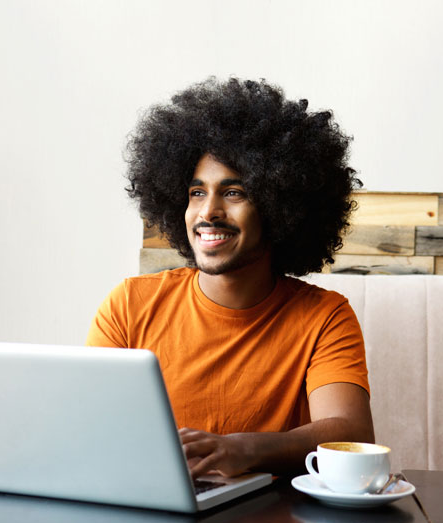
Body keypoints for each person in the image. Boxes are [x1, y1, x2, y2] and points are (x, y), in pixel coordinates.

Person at [87, 77, 375, 479]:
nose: (208, 212)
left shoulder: (324, 317)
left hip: (274, 513)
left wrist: (241, 449)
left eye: (234, 192)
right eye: (196, 192)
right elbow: (89, 426)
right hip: (150, 503)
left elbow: (350, 432)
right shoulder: (129, 305)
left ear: (278, 207)